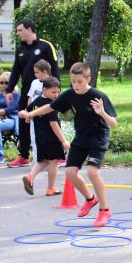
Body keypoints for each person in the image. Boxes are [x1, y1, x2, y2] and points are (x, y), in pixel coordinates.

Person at [20, 63, 117, 227]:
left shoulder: (98, 96)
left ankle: (104, 209)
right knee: (70, 172)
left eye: (80, 81)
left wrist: (102, 113)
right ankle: (90, 199)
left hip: (98, 137)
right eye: (73, 81)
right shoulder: (70, 95)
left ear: (88, 79)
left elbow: (113, 123)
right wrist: (30, 113)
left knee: (93, 172)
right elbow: (49, 107)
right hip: (81, 137)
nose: (76, 85)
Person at [6, 18, 60, 168]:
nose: (18, 33)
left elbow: (54, 69)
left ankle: (58, 154)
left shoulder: (45, 46)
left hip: (46, 93)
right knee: (24, 121)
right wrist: (9, 90)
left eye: (20, 30)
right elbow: (16, 69)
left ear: (30, 29)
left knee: (51, 122)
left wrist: (56, 90)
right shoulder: (20, 49)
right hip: (27, 93)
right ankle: (24, 156)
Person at [19, 77, 69, 196]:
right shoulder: (51, 106)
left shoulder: (36, 101)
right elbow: (54, 124)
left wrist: (25, 115)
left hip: (39, 138)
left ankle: (30, 177)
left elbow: (27, 111)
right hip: (52, 139)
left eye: (58, 92)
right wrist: (64, 141)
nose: (56, 95)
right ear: (44, 89)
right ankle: (50, 188)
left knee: (43, 161)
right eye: (53, 92)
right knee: (53, 162)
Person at [25, 59, 53, 164]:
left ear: (45, 72)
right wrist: (28, 113)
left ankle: (51, 159)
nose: (35, 74)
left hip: (46, 116)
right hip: (34, 115)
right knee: (34, 137)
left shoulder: (52, 83)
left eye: (37, 72)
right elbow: (30, 98)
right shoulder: (34, 82)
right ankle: (37, 159)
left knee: (48, 138)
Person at [0, 71, 19, 164]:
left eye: (7, 83)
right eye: (1, 83)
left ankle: (0, 154)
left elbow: (9, 109)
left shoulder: (16, 95)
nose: (3, 85)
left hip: (10, 119)